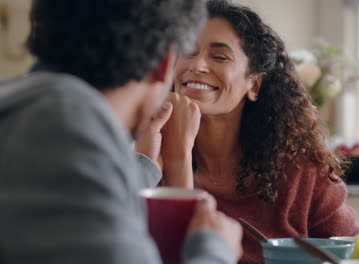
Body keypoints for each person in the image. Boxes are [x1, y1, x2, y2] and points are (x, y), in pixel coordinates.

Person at [0, 0, 242, 263]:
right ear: (165, 63)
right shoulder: (68, 122)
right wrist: (216, 248)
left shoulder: (30, 107)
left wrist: (144, 164)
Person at [157, 0, 359, 263]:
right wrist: (178, 156)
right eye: (187, 51)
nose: (197, 65)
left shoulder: (303, 172)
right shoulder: (147, 158)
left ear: (254, 84)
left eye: (219, 56)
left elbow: (353, 253)